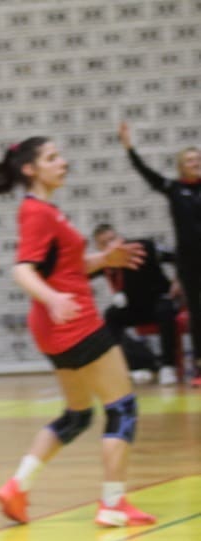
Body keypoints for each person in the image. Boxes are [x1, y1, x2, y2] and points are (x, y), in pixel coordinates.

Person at [0, 136, 157, 528]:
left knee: (78, 415)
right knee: (122, 407)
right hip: (74, 321)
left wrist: (104, 259)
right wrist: (52, 298)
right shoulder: (37, 212)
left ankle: (17, 487)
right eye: (52, 158)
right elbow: (22, 270)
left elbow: (66, 267)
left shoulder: (46, 211)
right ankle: (113, 503)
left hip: (55, 328)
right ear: (30, 169)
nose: (63, 162)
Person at [118, 122, 201, 387]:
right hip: (189, 262)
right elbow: (147, 173)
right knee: (197, 313)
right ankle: (199, 368)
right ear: (181, 166)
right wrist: (129, 148)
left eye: (198, 158)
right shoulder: (173, 188)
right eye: (190, 160)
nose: (196, 162)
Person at [91, 224, 180, 385]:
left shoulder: (143, 247)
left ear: (120, 238)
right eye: (104, 243)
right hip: (134, 308)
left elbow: (178, 257)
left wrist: (178, 280)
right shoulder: (104, 262)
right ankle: (131, 366)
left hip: (158, 300)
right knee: (111, 315)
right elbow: (81, 275)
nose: (111, 245)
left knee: (164, 310)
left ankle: (168, 366)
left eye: (112, 239)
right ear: (98, 248)